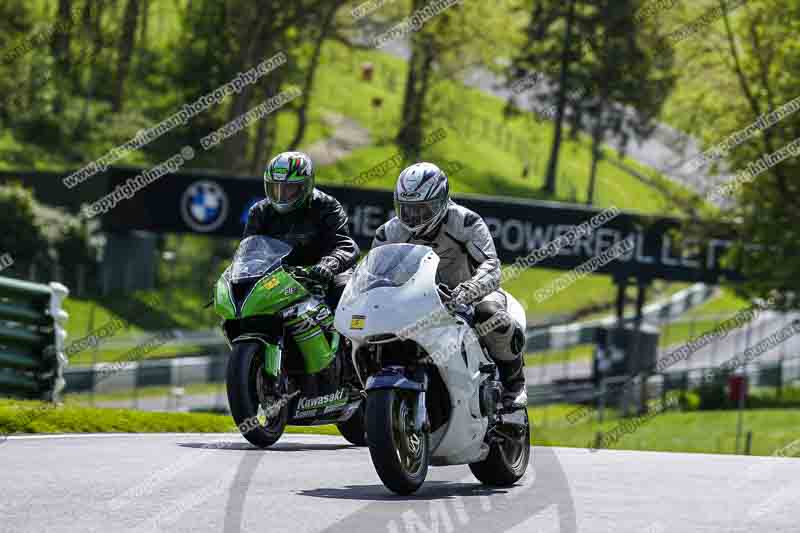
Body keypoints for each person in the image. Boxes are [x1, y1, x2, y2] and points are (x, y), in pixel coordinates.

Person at [372, 162, 527, 407]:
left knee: (490, 315)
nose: (414, 217)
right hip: (414, 301)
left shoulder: (465, 222)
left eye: (422, 209)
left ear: (441, 200)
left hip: (470, 295)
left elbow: (491, 266)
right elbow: (375, 273)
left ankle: (514, 383)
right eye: (407, 209)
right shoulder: (388, 233)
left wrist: (468, 290)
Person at [243, 151, 359, 310]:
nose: (281, 195)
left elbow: (346, 246)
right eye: (275, 188)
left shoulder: (327, 206)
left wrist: (328, 265)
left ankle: (346, 335)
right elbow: (248, 254)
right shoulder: (259, 211)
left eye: (288, 188)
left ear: (306, 186)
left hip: (324, 274)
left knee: (343, 292)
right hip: (279, 278)